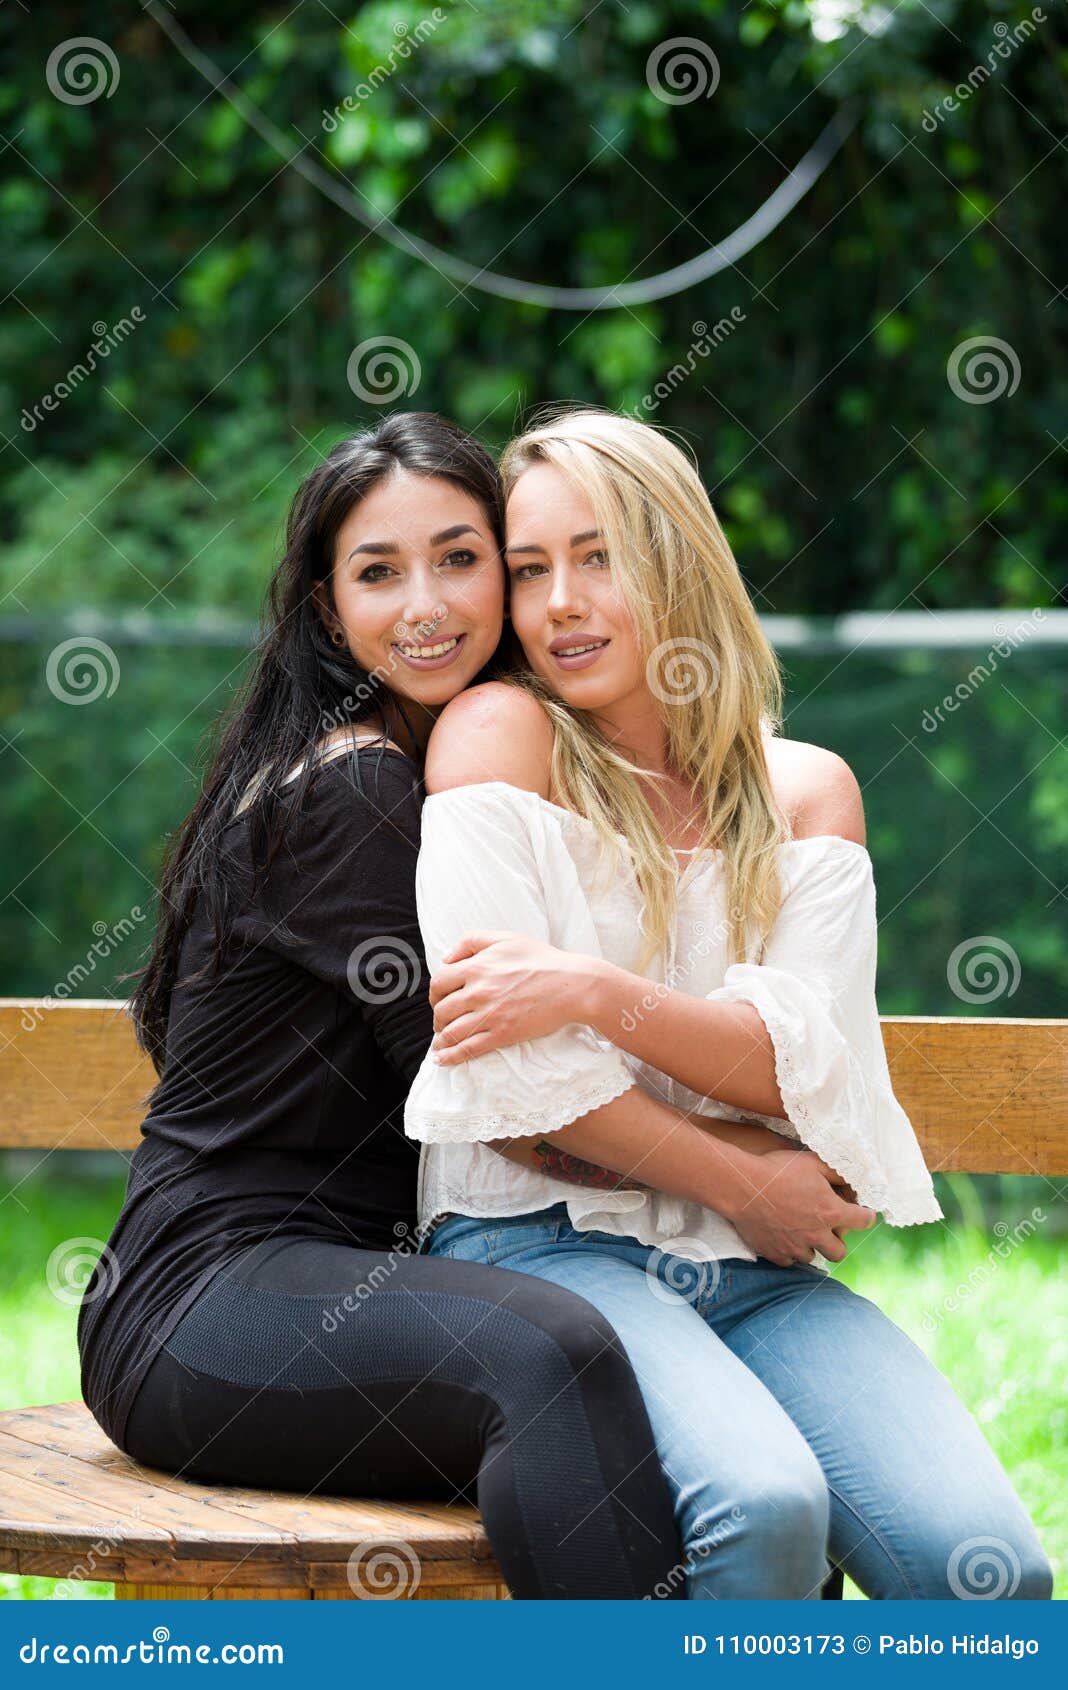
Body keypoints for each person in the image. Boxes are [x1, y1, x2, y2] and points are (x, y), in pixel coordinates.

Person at [403, 407, 1054, 1601]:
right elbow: (513, 1089)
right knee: (764, 1510)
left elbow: (800, 1072)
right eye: (531, 569)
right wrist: (742, 1170)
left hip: (750, 1268)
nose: (559, 605)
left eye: (598, 556)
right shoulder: (498, 739)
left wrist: (596, 991)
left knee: (993, 1577)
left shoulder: (804, 792)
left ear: (678, 559)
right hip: (539, 1246)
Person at [76, 411, 687, 1601]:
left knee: (714, 1406)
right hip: (203, 1299)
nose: (429, 604)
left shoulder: (471, 772)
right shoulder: (352, 786)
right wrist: (727, 1179)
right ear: (324, 611)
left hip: (356, 1280)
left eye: (462, 559)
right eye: (377, 571)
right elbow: (500, 1102)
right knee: (547, 1359)